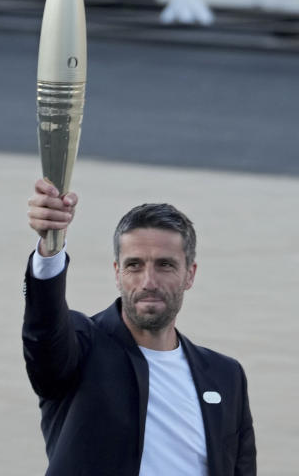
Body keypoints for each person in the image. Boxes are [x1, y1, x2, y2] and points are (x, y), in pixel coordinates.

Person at [24, 179, 256, 475]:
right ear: (117, 273)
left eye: (165, 265)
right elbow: (43, 330)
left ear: (190, 274)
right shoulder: (81, 346)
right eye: (134, 265)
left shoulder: (226, 376)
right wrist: (50, 250)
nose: (149, 282)